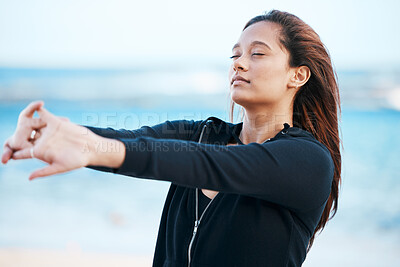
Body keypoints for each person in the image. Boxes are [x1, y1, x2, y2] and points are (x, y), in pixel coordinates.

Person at [2, 10, 341, 267]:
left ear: (298, 75)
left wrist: (92, 149)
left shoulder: (307, 161)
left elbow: (203, 163)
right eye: (235, 54)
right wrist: (52, 133)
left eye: (257, 53)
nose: (239, 64)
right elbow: (135, 140)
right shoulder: (203, 135)